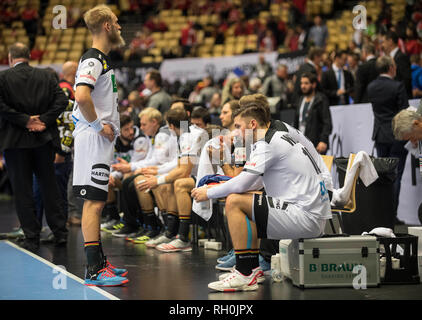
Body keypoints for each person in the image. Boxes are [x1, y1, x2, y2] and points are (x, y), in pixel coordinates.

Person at [192, 95, 331, 292]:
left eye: (239, 127)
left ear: (253, 124)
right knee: (243, 199)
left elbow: (244, 182)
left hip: (306, 217)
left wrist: (210, 192)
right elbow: (253, 182)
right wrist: (218, 189)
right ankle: (251, 268)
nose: (236, 133)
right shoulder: (274, 135)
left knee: (234, 202)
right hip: (310, 211)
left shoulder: (268, 144)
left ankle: (244, 273)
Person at [72, 4, 128, 286]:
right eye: (116, 22)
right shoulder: (94, 59)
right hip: (93, 139)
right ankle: (93, 269)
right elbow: (82, 96)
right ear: (106, 25)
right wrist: (98, 126)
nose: (120, 27)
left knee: (96, 201)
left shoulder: (101, 60)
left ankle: (99, 262)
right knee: (94, 203)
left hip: (97, 141)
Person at [0, 42, 68, 251]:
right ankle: (60, 233)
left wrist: (24, 120)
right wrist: (44, 120)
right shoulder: (47, 76)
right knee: (49, 186)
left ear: (11, 58)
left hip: (15, 142)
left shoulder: (3, 78)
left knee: (23, 190)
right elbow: (62, 101)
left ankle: (31, 236)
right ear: (29, 56)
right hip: (43, 140)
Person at [137, 107, 208, 252]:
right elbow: (178, 163)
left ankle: (183, 237)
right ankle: (170, 232)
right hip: (198, 175)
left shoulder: (189, 135)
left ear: (171, 126)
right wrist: (157, 173)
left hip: (209, 177)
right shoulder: (185, 134)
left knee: (179, 183)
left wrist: (157, 180)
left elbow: (184, 170)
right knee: (168, 183)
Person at [367, 55, 409, 226]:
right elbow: (404, 114)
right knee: (396, 176)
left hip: (380, 136)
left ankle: (383, 216)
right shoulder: (397, 86)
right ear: (391, 67)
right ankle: (392, 216)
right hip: (397, 136)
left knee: (382, 176)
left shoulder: (371, 87)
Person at [294, 72, 332, 154]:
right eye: (302, 83)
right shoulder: (300, 100)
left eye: (306, 83)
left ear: (314, 85)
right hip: (301, 143)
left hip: (317, 143)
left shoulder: (321, 99)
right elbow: (297, 122)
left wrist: (323, 140)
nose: (303, 86)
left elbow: (327, 122)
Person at [381, 30, 413, 98]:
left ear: (390, 41)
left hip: (403, 98)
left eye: (383, 42)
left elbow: (406, 79)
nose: (382, 45)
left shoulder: (401, 57)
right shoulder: (392, 57)